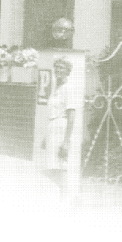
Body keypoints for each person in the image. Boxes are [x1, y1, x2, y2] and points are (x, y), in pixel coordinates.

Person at [42, 57, 76, 200]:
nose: (58, 70)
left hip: (61, 129)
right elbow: (51, 113)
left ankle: (66, 196)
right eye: (56, 67)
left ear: (68, 71)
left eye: (61, 67)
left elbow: (71, 117)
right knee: (49, 166)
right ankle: (65, 194)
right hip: (52, 129)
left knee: (59, 166)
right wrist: (46, 136)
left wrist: (66, 142)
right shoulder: (56, 88)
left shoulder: (69, 88)